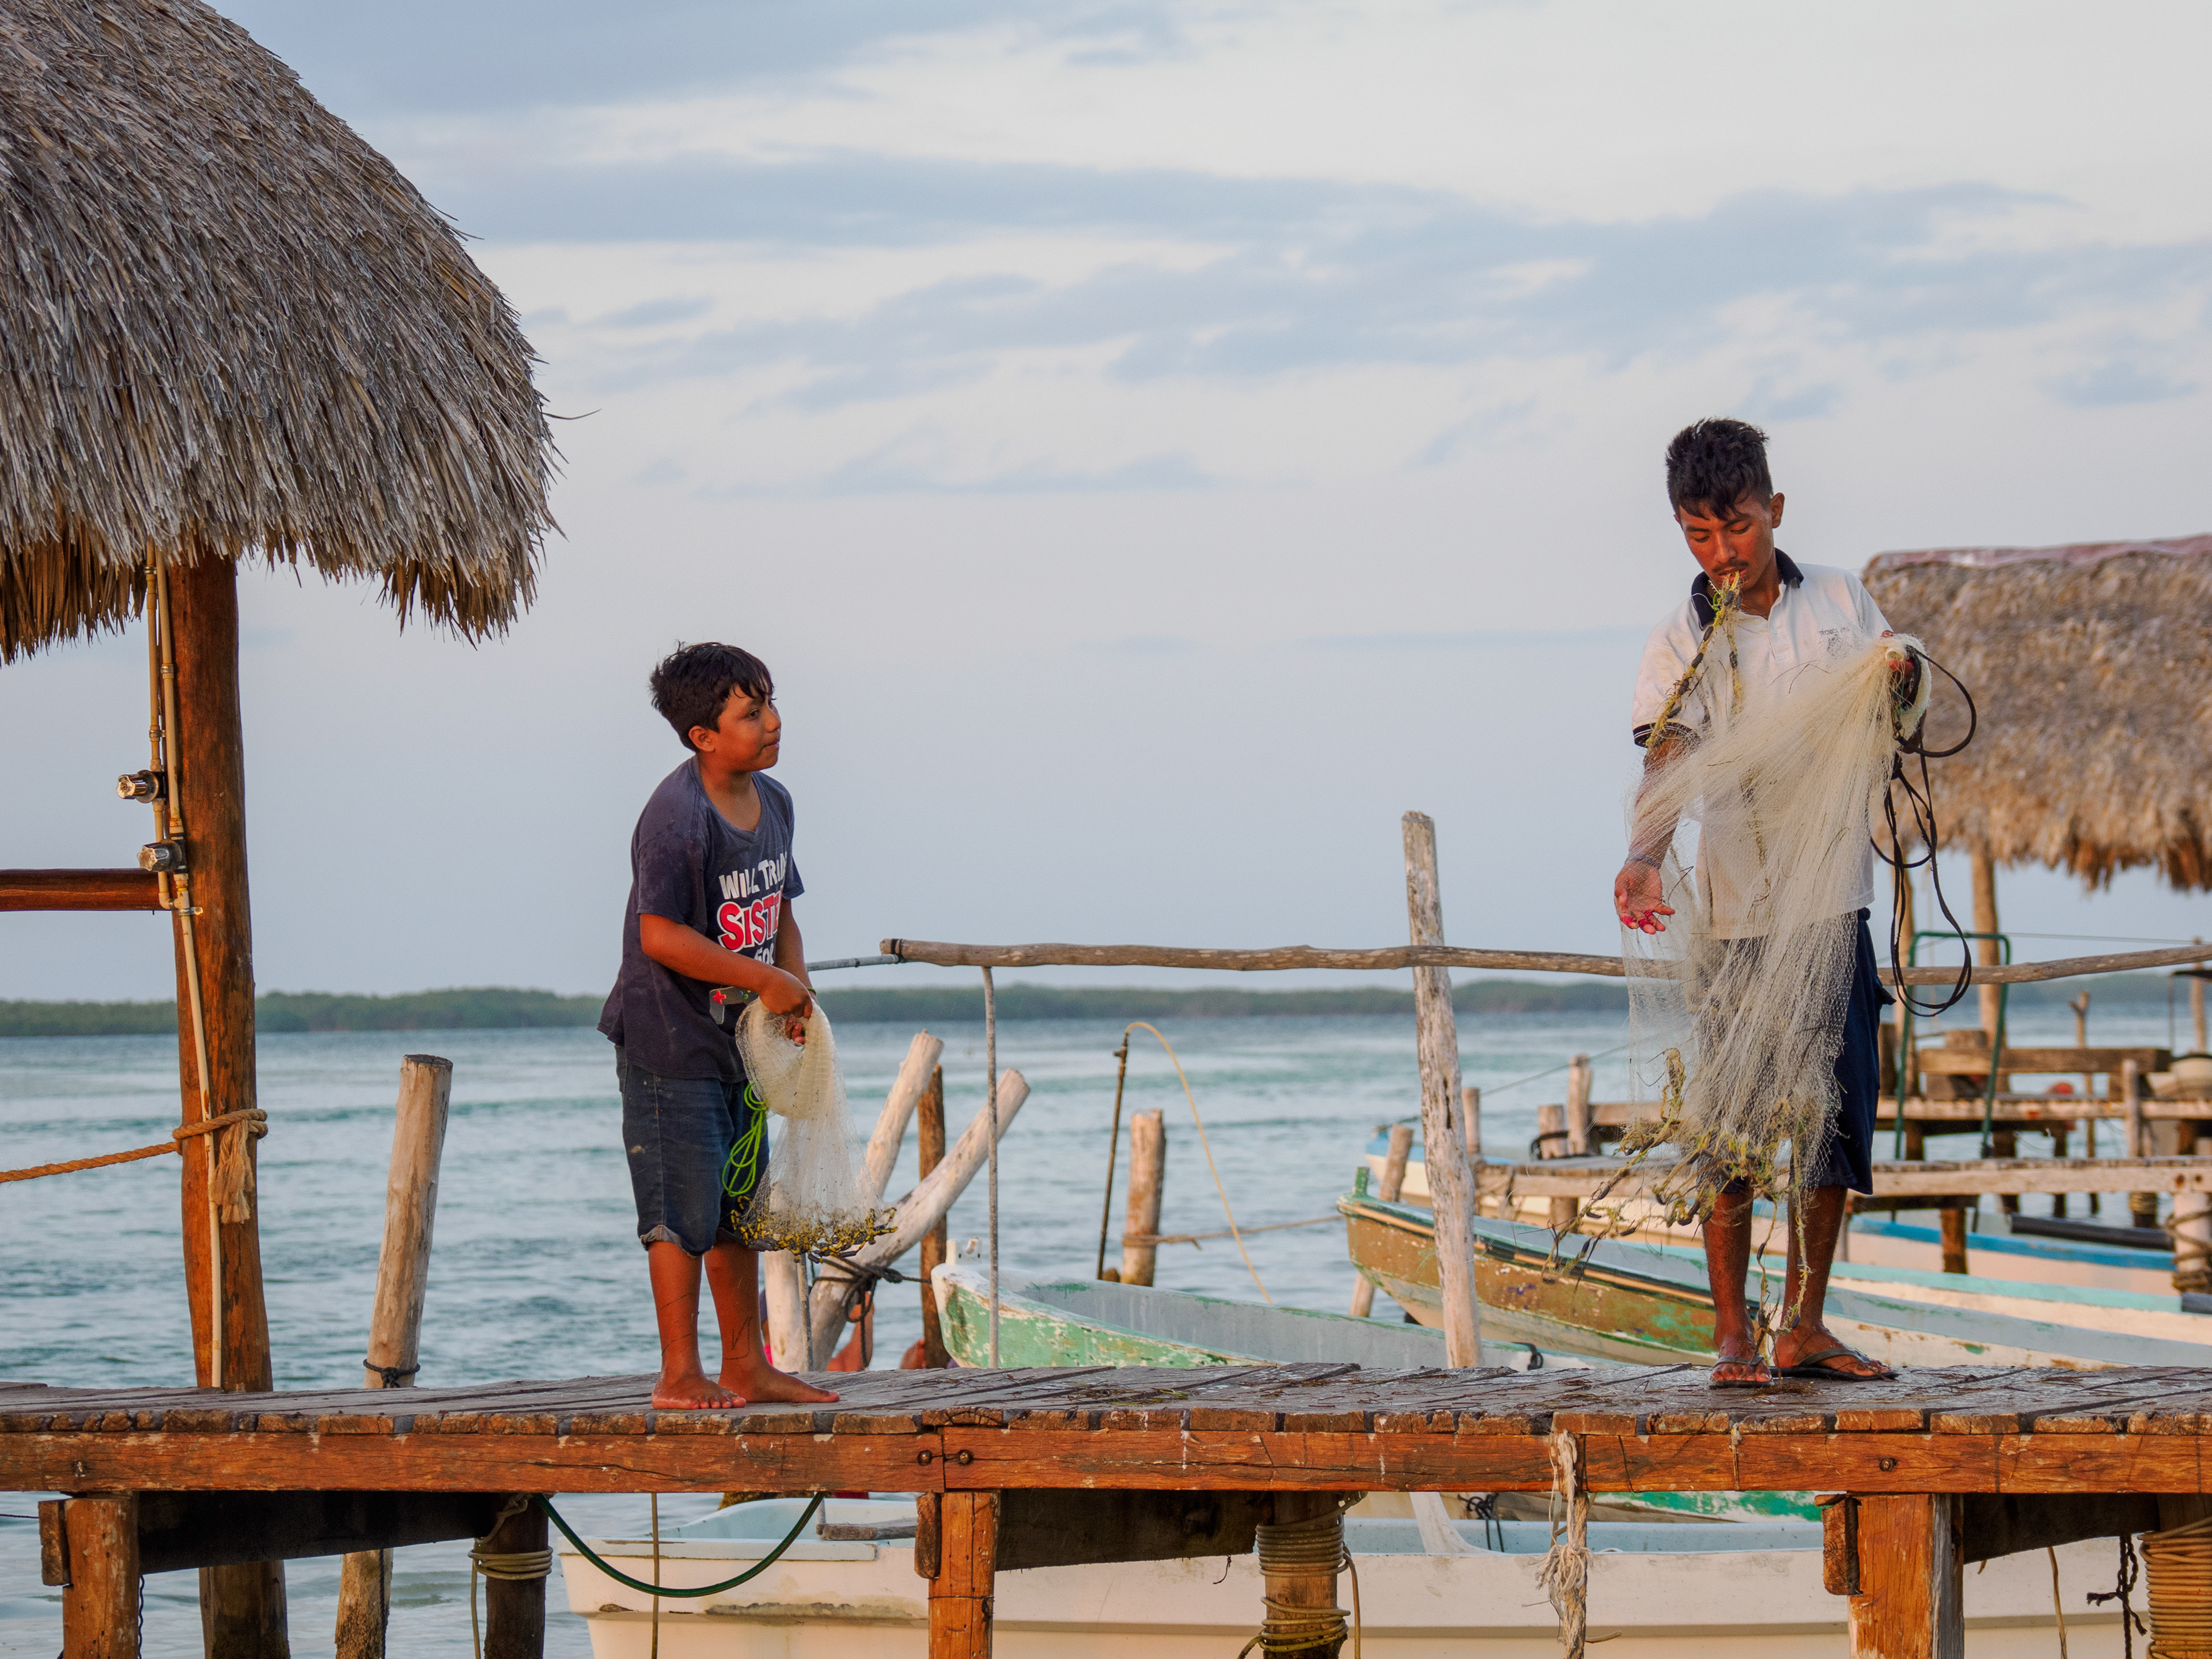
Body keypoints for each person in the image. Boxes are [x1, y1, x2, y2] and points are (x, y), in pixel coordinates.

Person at [1613, 418, 1901, 1387]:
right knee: (1730, 1125)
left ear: (1774, 510)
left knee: (1834, 1122)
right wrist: (1644, 857)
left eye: (1737, 527)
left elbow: (1898, 705)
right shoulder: (1682, 637)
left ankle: (1803, 1328)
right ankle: (1734, 1337)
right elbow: (1669, 755)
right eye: (1699, 535)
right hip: (1739, 915)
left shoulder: (1843, 602)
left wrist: (1899, 675)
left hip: (1832, 904)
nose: (1723, 553)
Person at [599, 641, 840, 1410]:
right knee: (681, 1214)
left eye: (771, 704)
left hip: (742, 1043)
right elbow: (659, 935)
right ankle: (679, 1374)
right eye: (751, 713)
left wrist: (795, 991)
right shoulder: (677, 818)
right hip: (669, 1042)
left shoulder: (776, 802)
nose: (773, 722)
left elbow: (780, 913)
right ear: (703, 736)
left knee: (740, 1207)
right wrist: (763, 979)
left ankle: (746, 1366)